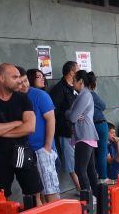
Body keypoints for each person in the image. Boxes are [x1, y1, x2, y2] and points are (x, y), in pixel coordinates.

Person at [0, 63, 42, 201]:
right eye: (14, 77)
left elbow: (30, 127)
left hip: (23, 152)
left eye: (19, 76)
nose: (19, 80)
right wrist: (16, 123)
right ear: (1, 78)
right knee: (3, 198)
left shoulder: (24, 99)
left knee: (35, 195)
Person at [23, 69, 61, 203]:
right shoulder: (16, 96)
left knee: (50, 189)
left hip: (42, 148)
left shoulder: (40, 95)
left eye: (24, 80)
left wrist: (47, 146)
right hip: (26, 150)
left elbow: (51, 119)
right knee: (36, 191)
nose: (22, 84)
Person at [66, 70, 100, 201]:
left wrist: (70, 113)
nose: (72, 83)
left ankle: (88, 198)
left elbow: (73, 117)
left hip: (84, 135)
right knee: (90, 169)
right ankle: (96, 196)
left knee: (80, 169)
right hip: (86, 135)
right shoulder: (83, 94)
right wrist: (70, 113)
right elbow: (71, 114)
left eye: (74, 80)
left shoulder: (84, 95)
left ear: (81, 81)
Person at [50, 61, 82, 193]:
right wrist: (71, 115)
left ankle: (85, 186)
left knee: (81, 160)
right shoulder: (59, 89)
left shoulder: (75, 88)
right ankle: (81, 189)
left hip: (79, 130)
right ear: (71, 72)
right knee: (71, 161)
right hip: (67, 131)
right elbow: (54, 112)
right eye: (78, 70)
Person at [88, 72, 111, 184]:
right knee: (102, 152)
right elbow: (103, 106)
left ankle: (96, 175)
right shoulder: (91, 94)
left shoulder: (79, 95)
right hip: (100, 124)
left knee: (91, 154)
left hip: (89, 126)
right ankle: (103, 177)